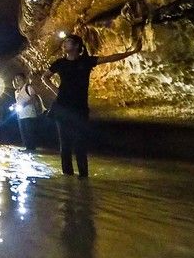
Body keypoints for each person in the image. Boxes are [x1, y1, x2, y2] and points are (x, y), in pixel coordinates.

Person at [42, 34, 139, 177]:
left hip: (80, 108)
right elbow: (45, 77)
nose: (64, 44)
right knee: (65, 145)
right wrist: (57, 91)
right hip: (62, 108)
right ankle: (68, 178)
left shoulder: (85, 61)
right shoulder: (59, 63)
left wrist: (132, 52)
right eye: (64, 42)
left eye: (68, 42)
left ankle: (83, 177)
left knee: (80, 143)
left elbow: (109, 58)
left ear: (76, 46)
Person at [11, 73, 45, 152]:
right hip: (21, 115)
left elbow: (33, 99)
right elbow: (19, 102)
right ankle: (27, 148)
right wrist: (15, 105)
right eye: (16, 80)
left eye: (19, 79)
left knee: (30, 132)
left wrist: (23, 105)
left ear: (24, 79)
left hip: (29, 114)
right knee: (24, 132)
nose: (18, 81)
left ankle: (31, 148)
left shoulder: (28, 87)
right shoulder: (17, 92)